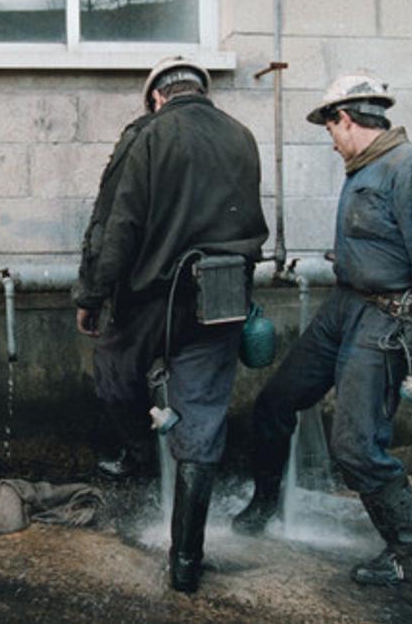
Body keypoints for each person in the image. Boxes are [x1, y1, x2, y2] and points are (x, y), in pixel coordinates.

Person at [231, 72, 412, 588]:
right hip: (345, 307)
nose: (331, 141)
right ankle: (267, 503)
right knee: (274, 403)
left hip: (389, 317)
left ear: (345, 119)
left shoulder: (411, 168)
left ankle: (407, 550)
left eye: (330, 129)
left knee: (357, 446)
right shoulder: (365, 169)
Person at [74, 57, 268, 593]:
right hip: (223, 295)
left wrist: (91, 295)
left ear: (157, 97)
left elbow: (120, 226)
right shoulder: (243, 136)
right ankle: (186, 562)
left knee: (115, 375)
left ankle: (137, 450)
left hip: (154, 297)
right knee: (203, 421)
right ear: (200, 92)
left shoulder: (150, 136)